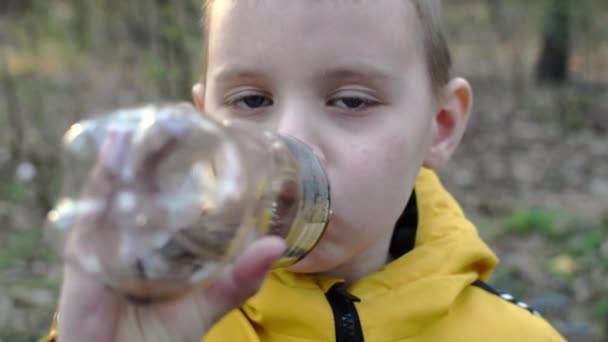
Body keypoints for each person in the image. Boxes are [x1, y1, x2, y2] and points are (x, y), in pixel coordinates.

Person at [44, 0, 565, 341]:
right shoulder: (151, 322)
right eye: (251, 100)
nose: (289, 140)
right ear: (206, 123)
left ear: (440, 125)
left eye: (351, 101)